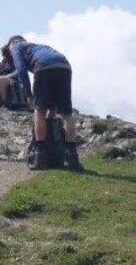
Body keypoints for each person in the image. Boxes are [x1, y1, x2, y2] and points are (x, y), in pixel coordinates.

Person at [8, 35, 82, 172]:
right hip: (64, 66)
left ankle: (40, 155)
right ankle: (72, 156)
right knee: (66, 114)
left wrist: (29, 94)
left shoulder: (15, 47)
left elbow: (21, 70)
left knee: (39, 110)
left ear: (11, 44)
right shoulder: (39, 47)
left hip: (43, 67)